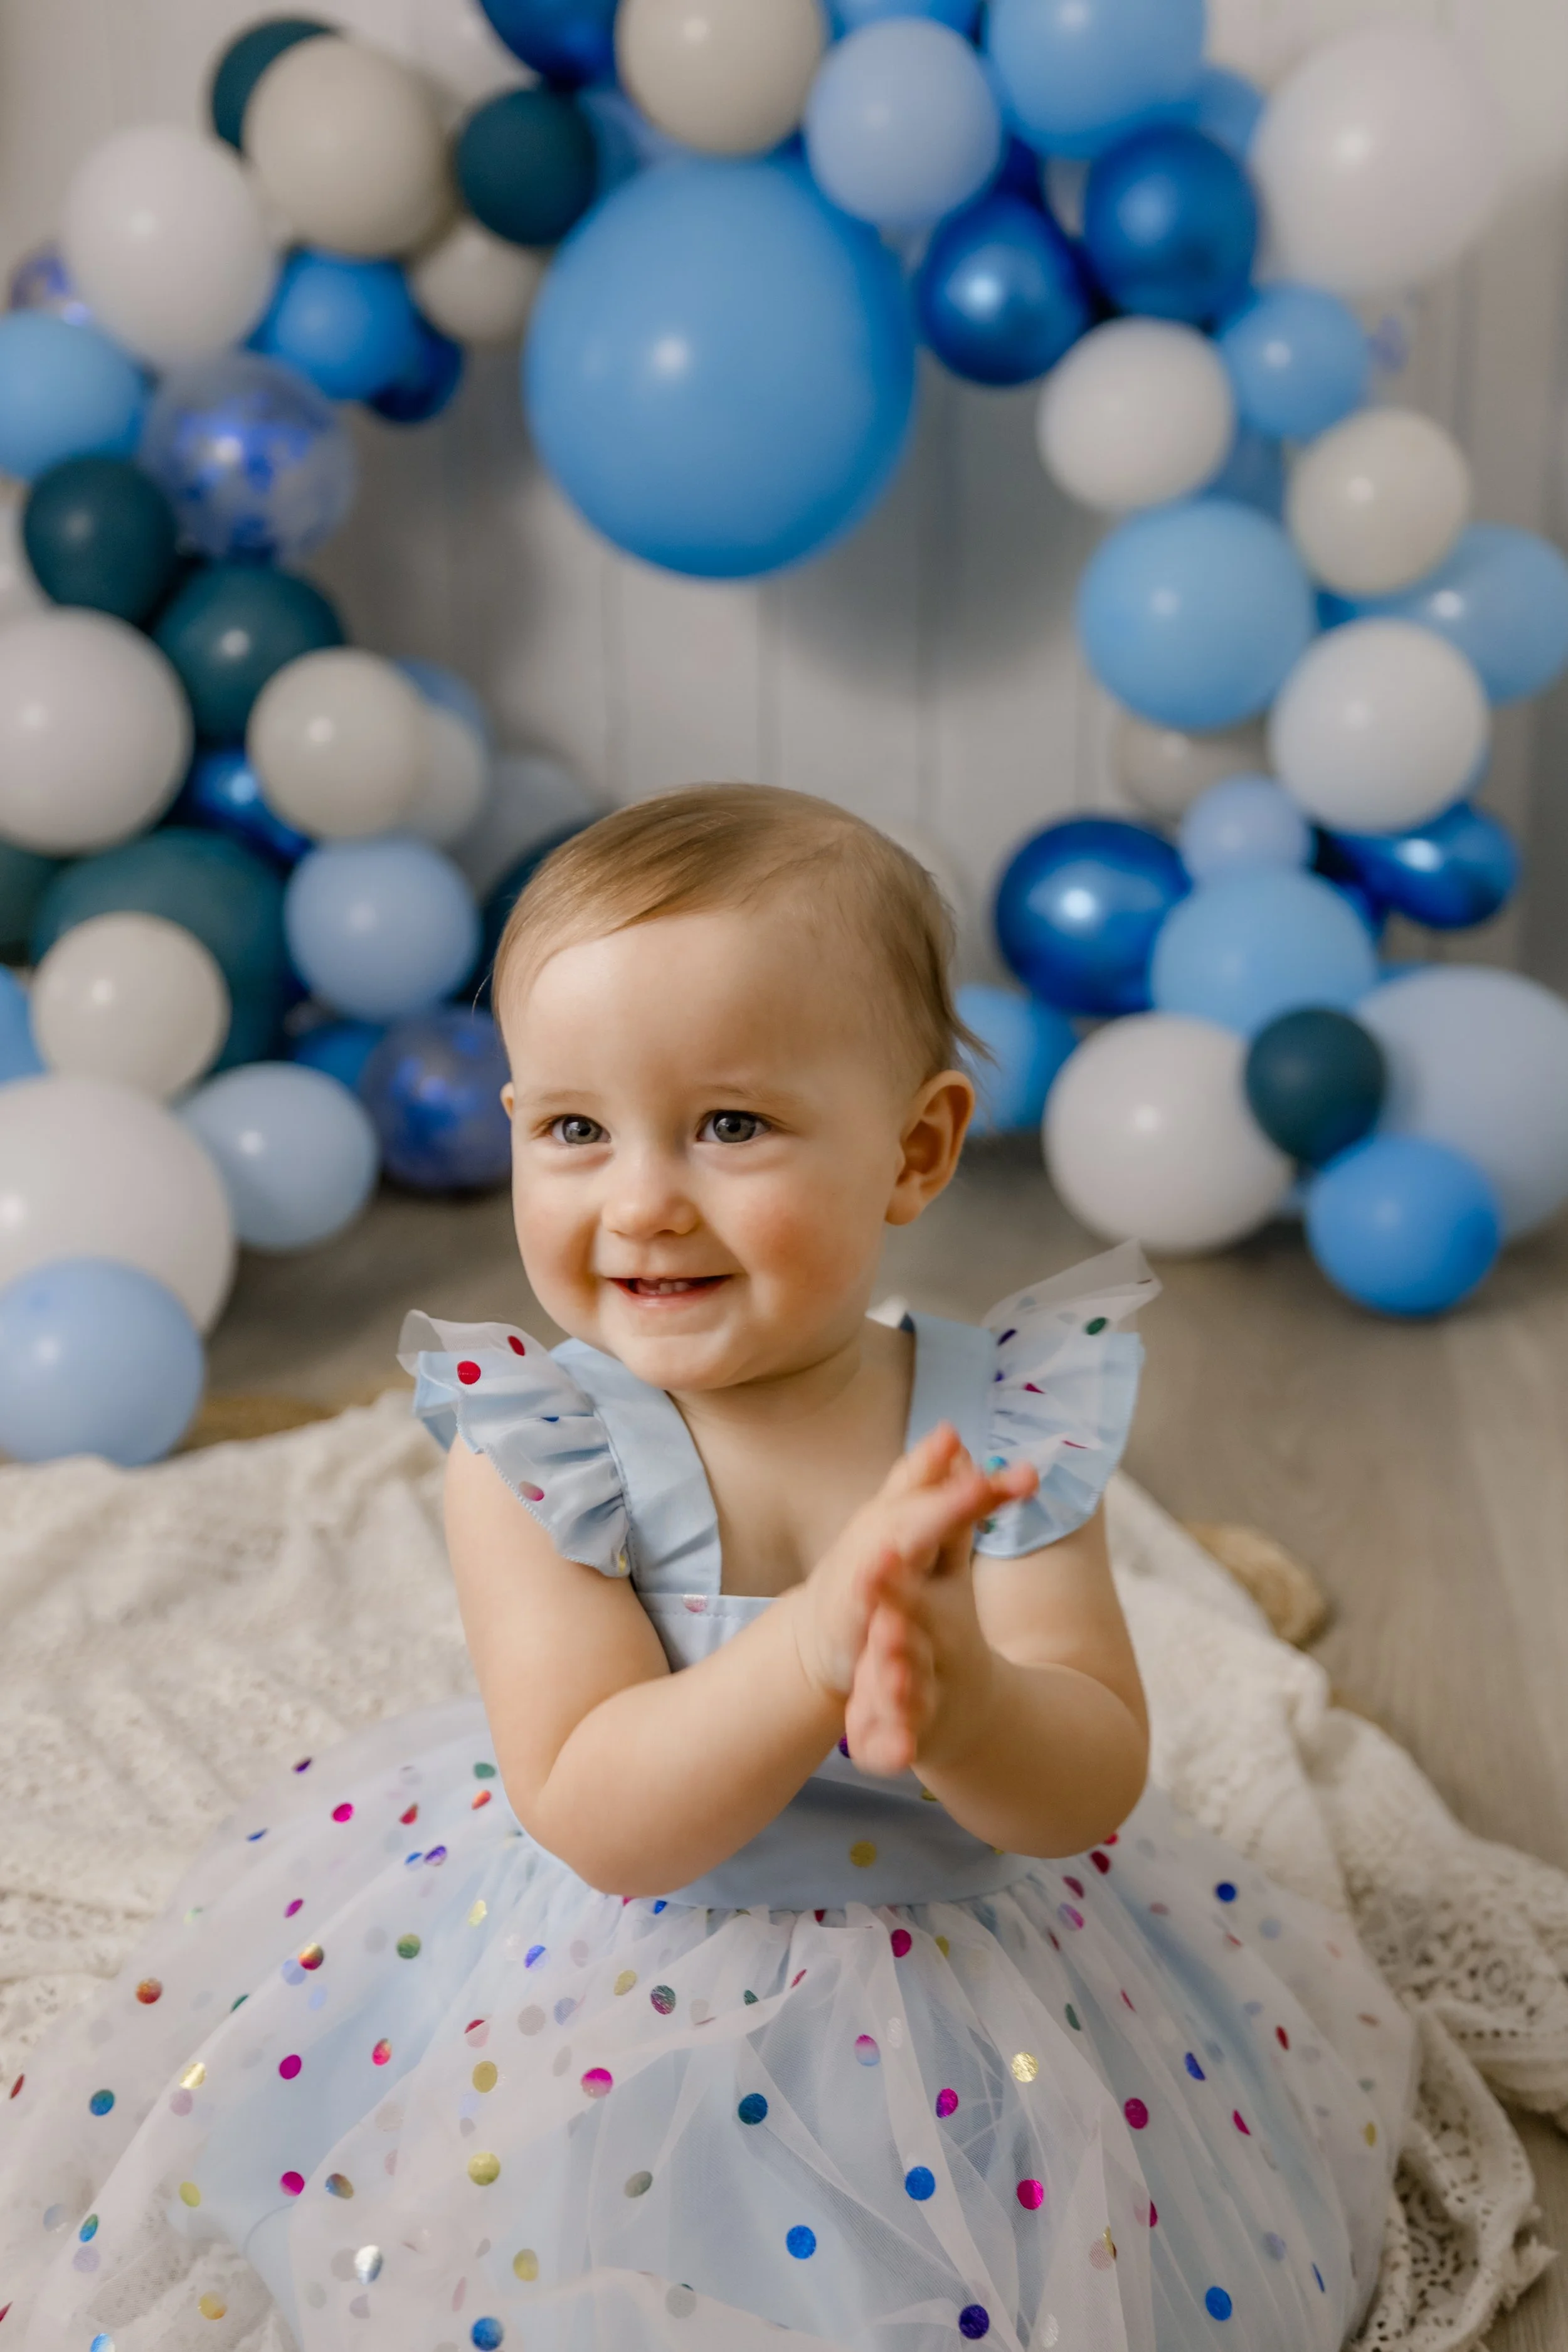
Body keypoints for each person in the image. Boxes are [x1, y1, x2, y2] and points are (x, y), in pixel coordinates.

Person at [0, 786, 1414, 2351]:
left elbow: (1086, 1784)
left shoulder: (1006, 1417)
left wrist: (964, 1712)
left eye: (729, 1124)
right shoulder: (539, 1449)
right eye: (572, 1130)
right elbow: (606, 1815)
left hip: (973, 1975)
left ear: (915, 1148)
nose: (641, 1199)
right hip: (624, 1978)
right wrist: (813, 1653)